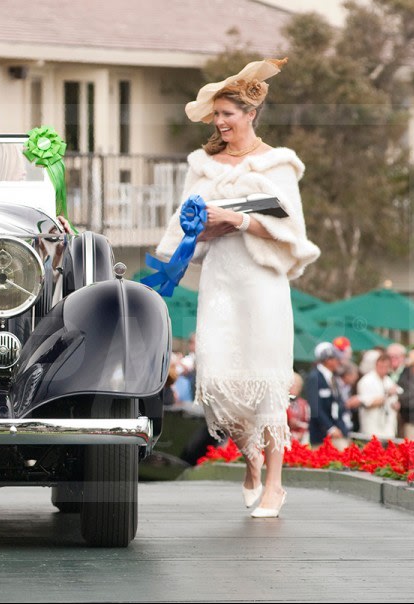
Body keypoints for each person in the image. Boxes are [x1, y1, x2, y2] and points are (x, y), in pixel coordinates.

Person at [155, 57, 320, 518]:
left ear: (250, 115)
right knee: (220, 380)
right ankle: (249, 458)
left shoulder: (278, 164)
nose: (221, 121)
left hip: (262, 283)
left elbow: (292, 234)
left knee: (267, 384)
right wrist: (202, 232)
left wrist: (240, 219)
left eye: (228, 113)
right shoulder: (202, 165)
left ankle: (274, 485)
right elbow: (180, 230)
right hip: (221, 280)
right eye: (217, 114)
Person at [305, 342, 350, 449]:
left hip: (337, 431)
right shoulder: (314, 377)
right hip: (321, 435)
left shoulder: (332, 377)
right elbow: (315, 408)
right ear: (327, 360)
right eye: (335, 358)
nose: (338, 362)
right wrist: (330, 428)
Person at [355, 348, 400, 440]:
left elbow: (394, 403)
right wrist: (388, 395)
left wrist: (396, 405)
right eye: (381, 366)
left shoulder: (389, 381)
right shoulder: (366, 381)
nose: (383, 369)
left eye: (386, 366)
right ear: (376, 365)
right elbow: (368, 403)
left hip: (388, 429)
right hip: (372, 430)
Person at [286, 372, 309, 444]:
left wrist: (298, 425)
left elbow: (307, 424)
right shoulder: (281, 403)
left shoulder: (304, 404)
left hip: (300, 439)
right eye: (291, 385)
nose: (292, 388)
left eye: (296, 386)